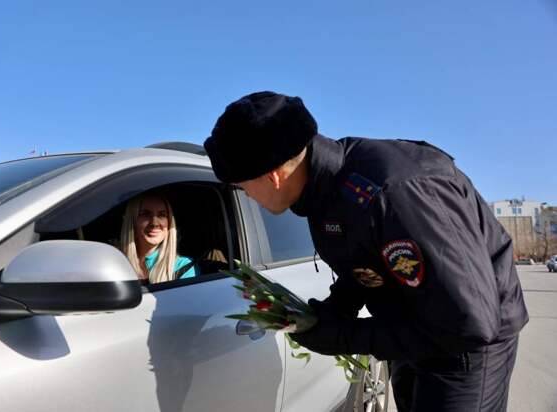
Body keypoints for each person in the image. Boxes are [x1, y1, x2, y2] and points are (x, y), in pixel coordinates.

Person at [204, 91, 528, 411]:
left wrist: (343, 336)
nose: (245, 196)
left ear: (272, 175)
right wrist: (329, 313)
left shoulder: (393, 192)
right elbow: (363, 266)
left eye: (241, 186)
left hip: (465, 349)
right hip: (414, 332)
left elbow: (468, 322)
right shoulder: (322, 195)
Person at [121, 191, 197, 284]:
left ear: (169, 223)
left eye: (162, 215)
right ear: (132, 222)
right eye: (145, 214)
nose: (155, 223)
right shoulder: (116, 264)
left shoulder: (183, 267)